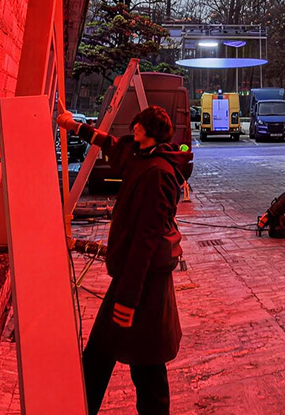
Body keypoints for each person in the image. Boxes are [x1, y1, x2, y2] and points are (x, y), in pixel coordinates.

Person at [56, 104, 190, 415]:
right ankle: (81, 407)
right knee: (102, 355)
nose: (134, 128)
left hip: (145, 285)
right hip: (131, 280)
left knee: (146, 366)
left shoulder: (158, 173)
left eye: (139, 125)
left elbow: (146, 240)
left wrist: (128, 299)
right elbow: (110, 143)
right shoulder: (140, 157)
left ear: (150, 131)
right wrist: (72, 125)